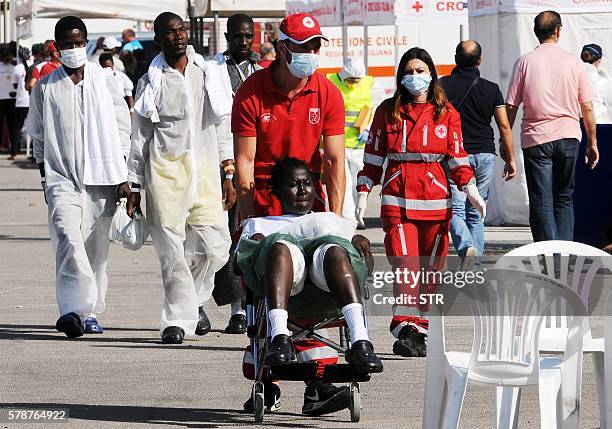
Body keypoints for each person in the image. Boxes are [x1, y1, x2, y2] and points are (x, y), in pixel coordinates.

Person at [233, 12, 349, 416]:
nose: (311, 54)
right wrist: (247, 221)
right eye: (303, 47)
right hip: (266, 200)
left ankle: (317, 381)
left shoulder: (328, 93)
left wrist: (335, 220)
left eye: (316, 46)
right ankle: (268, 377)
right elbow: (244, 165)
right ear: (282, 49)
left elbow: (335, 163)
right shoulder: (251, 92)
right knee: (268, 288)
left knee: (315, 288)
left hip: (309, 198)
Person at [356, 47, 484, 357]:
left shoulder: (446, 113)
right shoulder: (387, 111)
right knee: (406, 265)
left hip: (435, 201)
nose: (414, 77)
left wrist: (470, 188)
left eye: (420, 70)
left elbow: (456, 156)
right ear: (400, 76)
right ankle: (405, 325)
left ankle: (418, 329)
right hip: (398, 201)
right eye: (408, 71)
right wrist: (363, 191)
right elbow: (373, 160)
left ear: (431, 74)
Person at [236, 157, 383, 412]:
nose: (303, 190)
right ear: (277, 191)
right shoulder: (259, 224)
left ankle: (361, 342)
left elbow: (363, 270)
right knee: (280, 246)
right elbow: (239, 265)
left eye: (308, 183)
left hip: (324, 285)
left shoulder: (332, 220)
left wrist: (363, 249)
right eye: (294, 184)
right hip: (285, 284)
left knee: (336, 250)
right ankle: (279, 337)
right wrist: (255, 247)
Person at [126, 12, 233, 344]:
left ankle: (192, 300)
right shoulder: (151, 81)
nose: (179, 36)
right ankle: (175, 320)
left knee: (217, 248)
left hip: (204, 174)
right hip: (164, 174)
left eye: (182, 30)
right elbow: (140, 136)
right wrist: (134, 184)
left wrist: (229, 172)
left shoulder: (206, 74)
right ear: (159, 39)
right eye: (170, 33)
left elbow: (220, 127)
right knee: (171, 253)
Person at [27, 16, 131, 338]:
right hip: (62, 178)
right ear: (56, 48)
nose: (74, 49)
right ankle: (73, 309)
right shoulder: (46, 87)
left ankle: (91, 310)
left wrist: (124, 173)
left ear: (86, 42)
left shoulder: (105, 80)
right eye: (67, 44)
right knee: (68, 239)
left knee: (96, 247)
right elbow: (39, 137)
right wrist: (45, 178)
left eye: (78, 43)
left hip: (102, 177)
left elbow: (122, 127)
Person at [506, 10, 598, 242]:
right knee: (564, 197)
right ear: (558, 30)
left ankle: (549, 257)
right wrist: (592, 141)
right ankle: (564, 254)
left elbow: (511, 106)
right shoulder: (574, 62)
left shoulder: (524, 62)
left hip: (535, 138)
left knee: (541, 201)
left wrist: (505, 141)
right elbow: (586, 106)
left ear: (536, 32)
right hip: (568, 135)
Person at [206, 13, 262, 335]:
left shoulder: (261, 71)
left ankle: (246, 309)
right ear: (226, 37)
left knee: (247, 236)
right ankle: (227, 307)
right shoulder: (212, 71)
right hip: (217, 163)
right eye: (237, 37)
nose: (243, 43)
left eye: (248, 37)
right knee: (219, 237)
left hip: (253, 164)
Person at [440, 40, 516, 267]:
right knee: (477, 210)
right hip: (484, 153)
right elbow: (504, 126)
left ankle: (466, 248)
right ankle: (475, 265)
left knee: (455, 208)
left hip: (454, 154)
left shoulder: (442, 86)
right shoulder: (491, 88)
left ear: (455, 59)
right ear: (480, 60)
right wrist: (510, 157)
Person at [327, 57, 376, 227]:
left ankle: (358, 213)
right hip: (338, 143)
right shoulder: (331, 81)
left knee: (358, 183)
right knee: (343, 183)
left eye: (356, 81)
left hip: (359, 145)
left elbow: (375, 108)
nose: (353, 84)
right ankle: (349, 219)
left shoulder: (370, 84)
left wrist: (369, 128)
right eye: (350, 80)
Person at [580, 44, 612, 125]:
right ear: (598, 61)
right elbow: (609, 100)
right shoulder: (602, 79)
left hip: (577, 124)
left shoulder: (572, 75)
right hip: (599, 122)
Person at [9, 45, 30, 160]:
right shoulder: (32, 66)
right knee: (35, 126)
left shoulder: (17, 68)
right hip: (31, 101)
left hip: (21, 101)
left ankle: (14, 152)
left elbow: (15, 85)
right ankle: (33, 153)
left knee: (17, 127)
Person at [0, 45, 16, 160]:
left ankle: (12, 149)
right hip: (4, 99)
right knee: (6, 126)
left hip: (10, 100)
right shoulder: (3, 67)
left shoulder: (15, 68)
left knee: (12, 126)